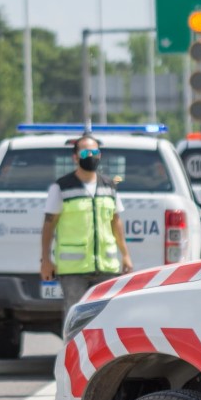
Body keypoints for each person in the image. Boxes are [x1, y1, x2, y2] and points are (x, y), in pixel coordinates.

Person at [39, 135, 134, 323]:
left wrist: (125, 255)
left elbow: (116, 222)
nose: (90, 155)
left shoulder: (109, 186)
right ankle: (74, 353)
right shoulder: (62, 187)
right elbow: (49, 225)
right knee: (75, 319)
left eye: (95, 152)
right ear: (75, 157)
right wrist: (45, 260)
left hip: (107, 267)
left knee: (107, 319)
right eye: (85, 152)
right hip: (73, 270)